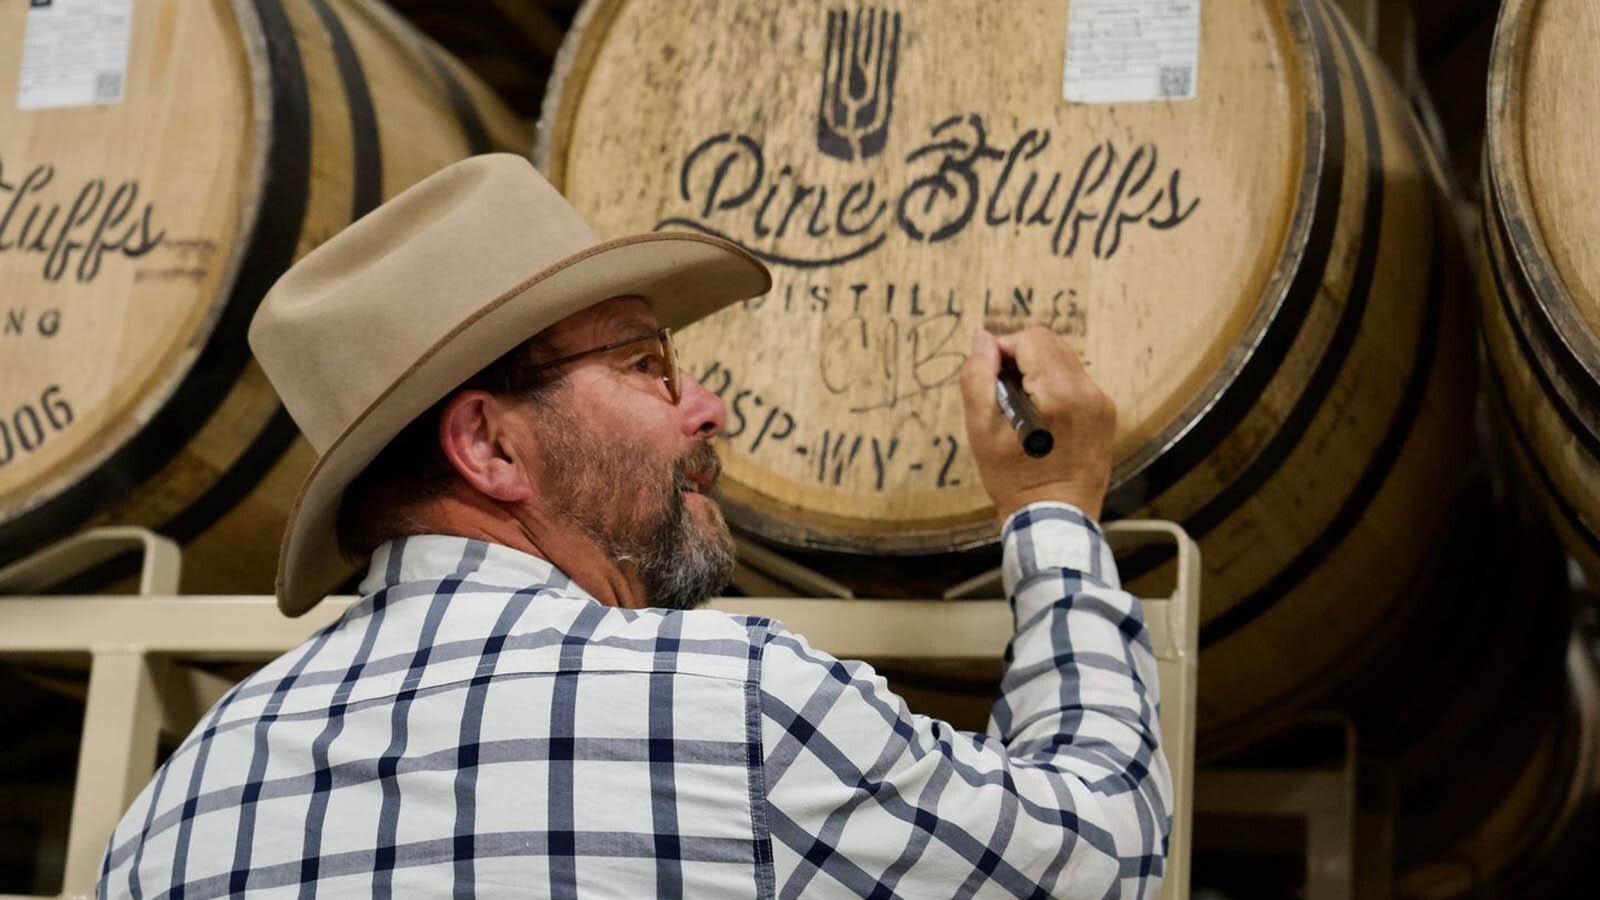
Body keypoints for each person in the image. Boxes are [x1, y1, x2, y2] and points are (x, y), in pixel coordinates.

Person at [98, 154, 1171, 898]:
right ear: (490, 448)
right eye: (645, 364)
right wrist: (1051, 510)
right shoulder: (737, 709)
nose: (705, 405)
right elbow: (1102, 851)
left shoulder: (178, 802)